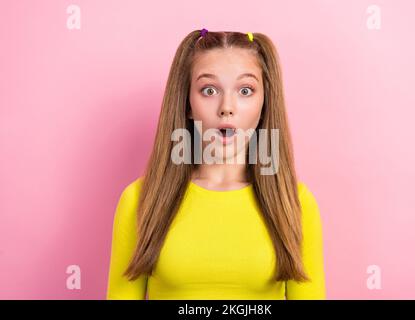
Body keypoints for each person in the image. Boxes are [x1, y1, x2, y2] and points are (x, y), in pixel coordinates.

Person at [106, 29, 326, 299]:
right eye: (209, 90)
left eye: (245, 90)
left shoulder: (296, 204)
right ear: (187, 102)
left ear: (264, 102)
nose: (226, 107)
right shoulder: (139, 200)